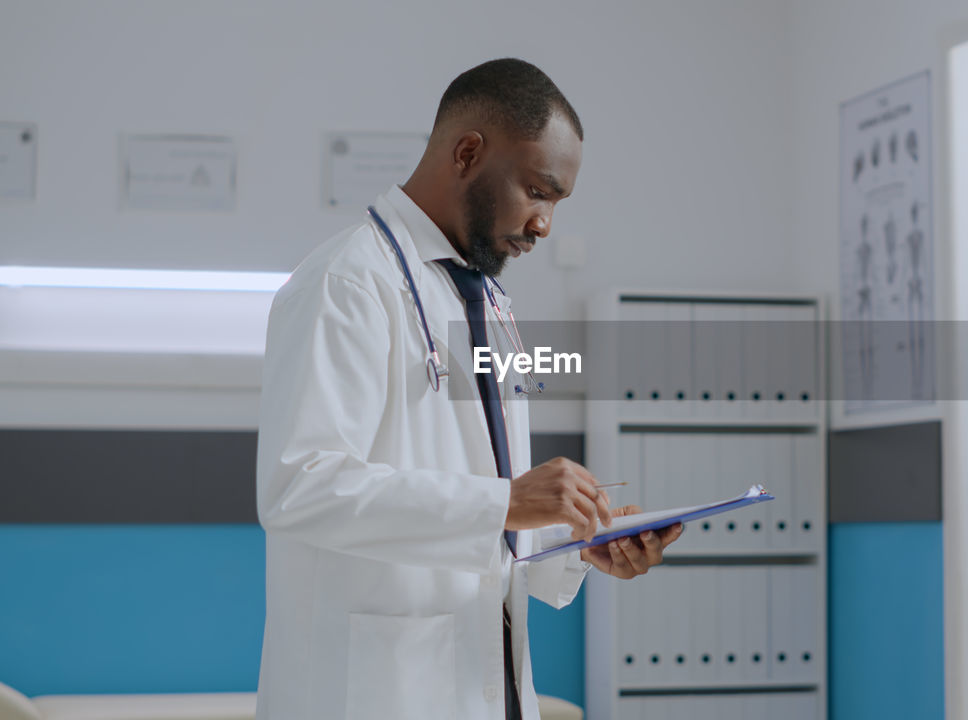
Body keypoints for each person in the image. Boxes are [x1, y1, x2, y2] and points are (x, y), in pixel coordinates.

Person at [254, 58, 682, 720]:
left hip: (484, 689)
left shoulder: (486, 303)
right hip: (377, 693)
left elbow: (482, 514)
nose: (544, 224)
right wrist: (508, 501)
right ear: (468, 153)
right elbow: (299, 487)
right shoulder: (347, 282)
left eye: (556, 204)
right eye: (538, 191)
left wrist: (576, 541)